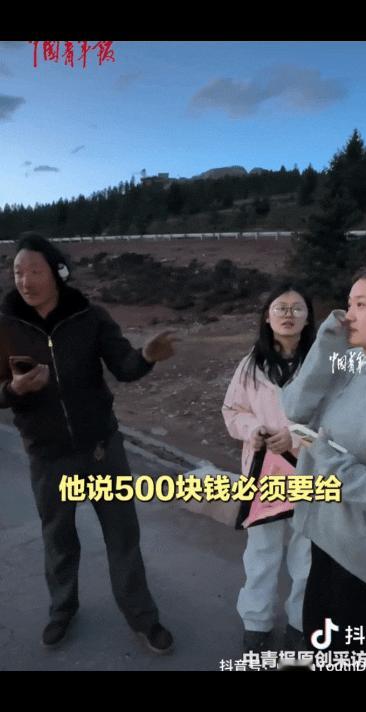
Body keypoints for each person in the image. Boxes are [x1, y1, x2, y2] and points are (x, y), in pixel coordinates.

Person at [0, 233, 178, 653]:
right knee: (59, 540)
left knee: (122, 537)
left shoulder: (90, 317)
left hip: (101, 449)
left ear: (58, 273)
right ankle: (62, 610)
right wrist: (14, 389)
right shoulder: (4, 326)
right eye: (18, 272)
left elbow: (125, 367)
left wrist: (146, 357)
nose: (25, 281)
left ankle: (143, 617)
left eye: (35, 271)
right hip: (47, 455)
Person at [281, 267, 366, 671]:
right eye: (348, 304)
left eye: (361, 305)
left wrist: (325, 456)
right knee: (323, 647)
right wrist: (325, 345)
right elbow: (294, 408)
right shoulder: (352, 362)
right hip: (325, 539)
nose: (348, 315)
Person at [222, 282, 315, 655]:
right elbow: (232, 411)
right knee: (261, 553)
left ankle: (301, 623)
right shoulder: (251, 365)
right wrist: (253, 430)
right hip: (264, 474)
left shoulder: (323, 365)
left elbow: (339, 419)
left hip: (310, 473)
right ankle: (256, 623)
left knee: (307, 554)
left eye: (297, 308)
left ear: (308, 318)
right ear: (267, 316)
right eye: (281, 307)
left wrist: (296, 437)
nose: (288, 315)